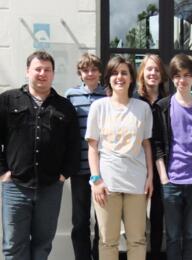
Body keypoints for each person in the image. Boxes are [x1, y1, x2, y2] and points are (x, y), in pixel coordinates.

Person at [0, 51, 80, 260]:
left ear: (53, 74)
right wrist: (3, 173)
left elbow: (74, 146)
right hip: (15, 186)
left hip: (50, 187)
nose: (42, 74)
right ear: (27, 71)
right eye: (38, 69)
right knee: (13, 246)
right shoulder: (8, 101)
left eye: (47, 70)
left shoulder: (64, 107)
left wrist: (63, 175)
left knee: (42, 245)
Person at [85, 55, 153, 260]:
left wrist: (150, 177)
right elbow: (92, 147)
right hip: (107, 184)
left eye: (124, 73)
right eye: (115, 73)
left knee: (137, 239)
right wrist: (96, 179)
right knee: (107, 240)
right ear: (108, 78)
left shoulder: (143, 108)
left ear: (132, 78)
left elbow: (147, 144)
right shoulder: (99, 107)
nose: (119, 77)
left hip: (137, 184)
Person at [153, 53, 192, 260]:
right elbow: (158, 145)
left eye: (187, 75)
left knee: (191, 235)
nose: (182, 80)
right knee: (172, 236)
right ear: (172, 78)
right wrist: (163, 177)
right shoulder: (162, 107)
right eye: (178, 75)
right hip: (171, 182)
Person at [65, 53, 106, 260]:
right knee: (80, 221)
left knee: (103, 220)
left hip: (104, 169)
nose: (90, 73)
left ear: (100, 72)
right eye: (85, 70)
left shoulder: (108, 94)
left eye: (93, 69)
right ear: (80, 74)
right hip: (80, 169)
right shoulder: (71, 95)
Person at [135, 54, 169, 260]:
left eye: (157, 70)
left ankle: (155, 254)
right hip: (137, 164)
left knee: (157, 216)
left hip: (161, 166)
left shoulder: (168, 100)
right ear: (142, 73)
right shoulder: (134, 100)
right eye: (149, 69)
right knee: (137, 218)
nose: (153, 73)